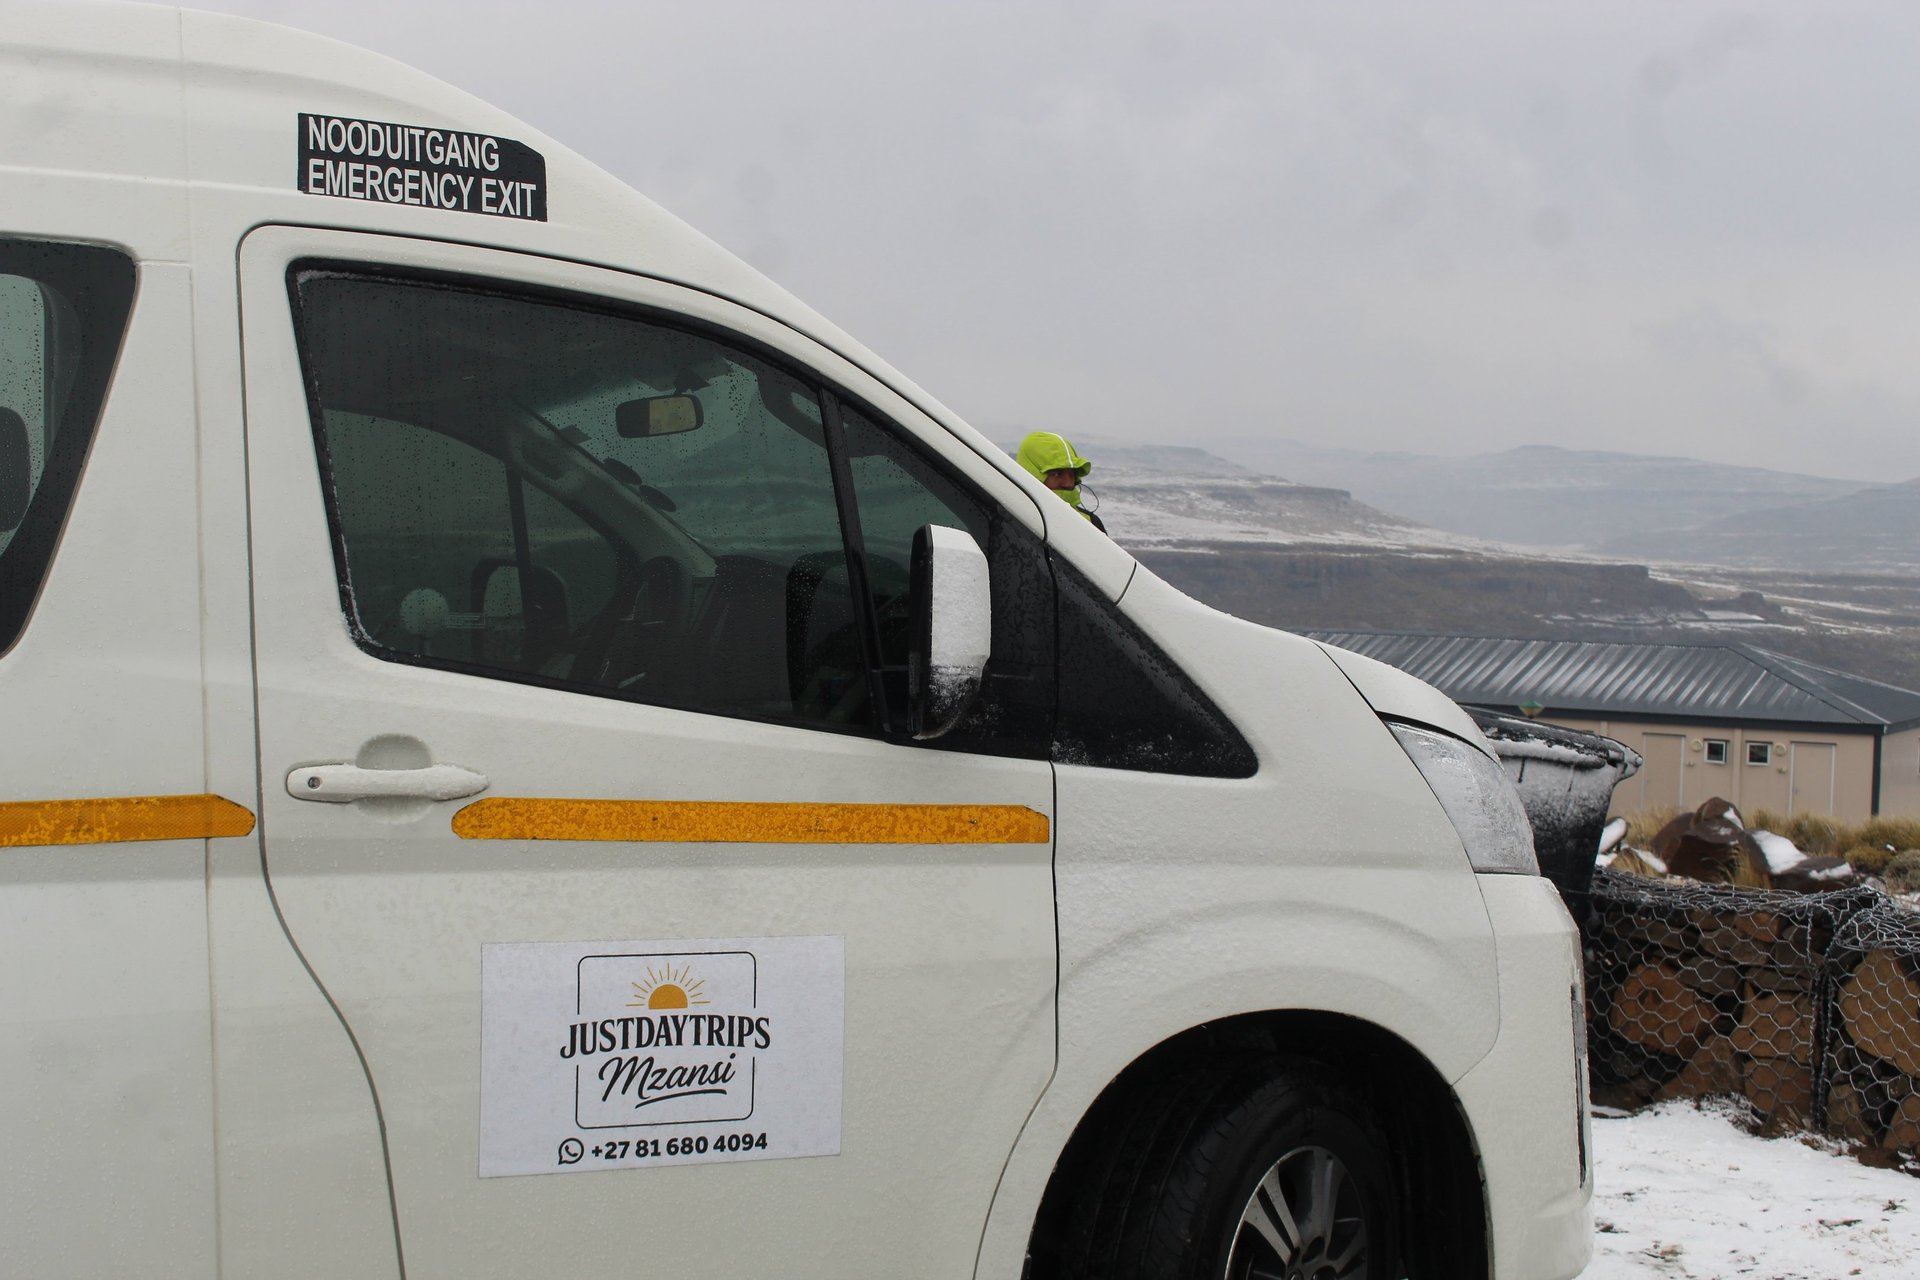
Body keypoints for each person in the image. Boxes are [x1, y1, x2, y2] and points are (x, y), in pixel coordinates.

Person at [1015, 431, 1106, 533]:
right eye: (1056, 474)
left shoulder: (1091, 523)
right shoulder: (1010, 519)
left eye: (1071, 474)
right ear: (1032, 475)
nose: (1068, 483)